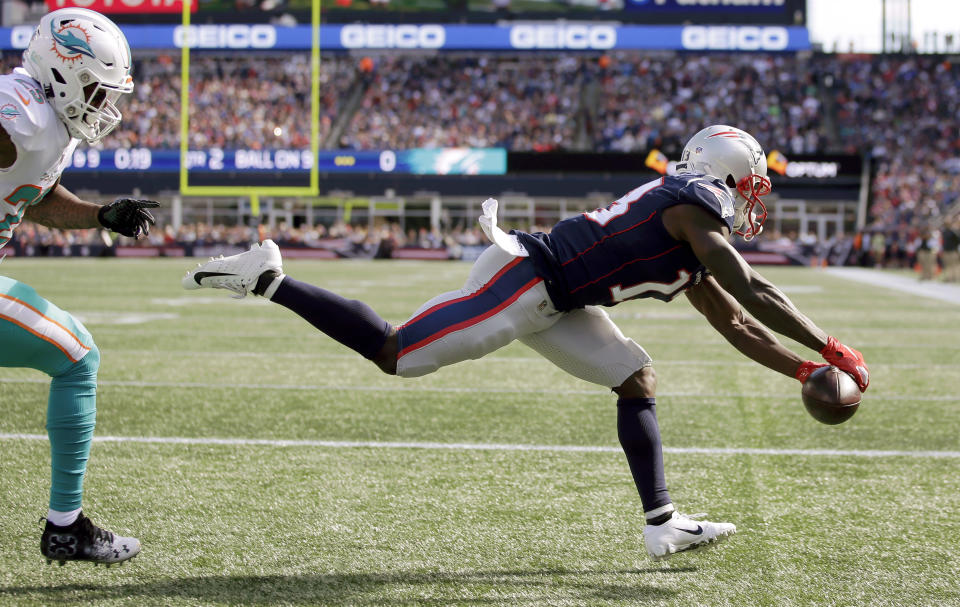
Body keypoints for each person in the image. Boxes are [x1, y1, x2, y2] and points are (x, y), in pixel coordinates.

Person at [182, 125, 870, 561]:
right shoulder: (692, 215)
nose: (754, 201)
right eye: (749, 187)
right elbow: (756, 292)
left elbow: (738, 323)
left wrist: (804, 367)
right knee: (395, 352)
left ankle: (661, 523)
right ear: (723, 179)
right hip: (525, 278)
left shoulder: (690, 226)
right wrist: (830, 343)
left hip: (564, 298)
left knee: (634, 375)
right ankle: (271, 278)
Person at [1, 8, 158, 566]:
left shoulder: (46, 124)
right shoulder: (20, 109)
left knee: (77, 355)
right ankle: (64, 528)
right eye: (95, 89)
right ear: (63, 69)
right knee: (76, 356)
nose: (103, 106)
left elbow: (35, 197)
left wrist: (100, 215)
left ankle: (66, 528)